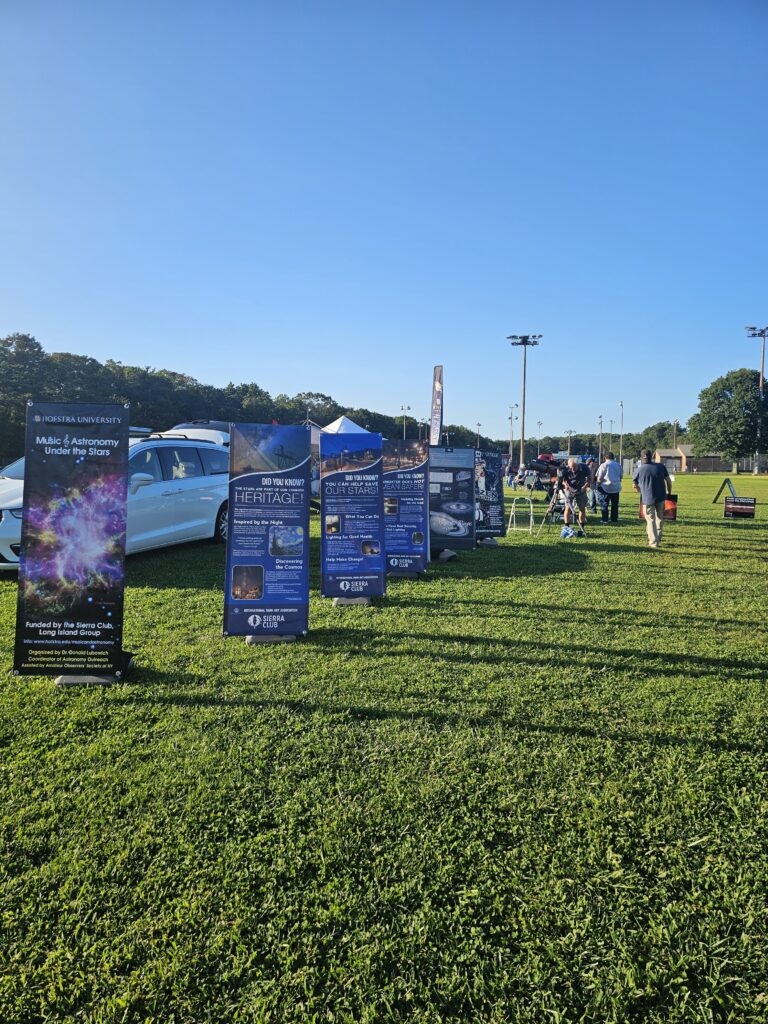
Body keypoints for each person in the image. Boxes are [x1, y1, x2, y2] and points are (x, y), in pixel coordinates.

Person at [632, 449, 672, 548]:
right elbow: (668, 480)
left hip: (647, 498)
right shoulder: (660, 466)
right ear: (651, 457)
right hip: (661, 496)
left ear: (641, 458)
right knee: (660, 517)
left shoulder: (639, 470)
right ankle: (658, 535)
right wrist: (669, 492)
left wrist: (639, 490)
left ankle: (654, 542)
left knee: (650, 520)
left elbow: (634, 485)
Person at [561, 457, 590, 536]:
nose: (572, 469)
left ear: (578, 465)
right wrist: (565, 485)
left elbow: (589, 479)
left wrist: (584, 487)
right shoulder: (566, 469)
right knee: (567, 508)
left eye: (574, 467)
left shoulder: (584, 467)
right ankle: (567, 526)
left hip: (581, 489)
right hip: (569, 490)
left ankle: (581, 528)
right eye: (571, 467)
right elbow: (562, 480)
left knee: (582, 509)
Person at [595, 451, 623, 523]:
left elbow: (600, 477)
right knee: (615, 505)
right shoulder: (618, 465)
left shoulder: (603, 465)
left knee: (604, 504)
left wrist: (598, 484)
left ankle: (605, 519)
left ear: (605, 458)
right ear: (613, 457)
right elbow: (621, 476)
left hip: (606, 487)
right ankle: (614, 519)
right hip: (616, 487)